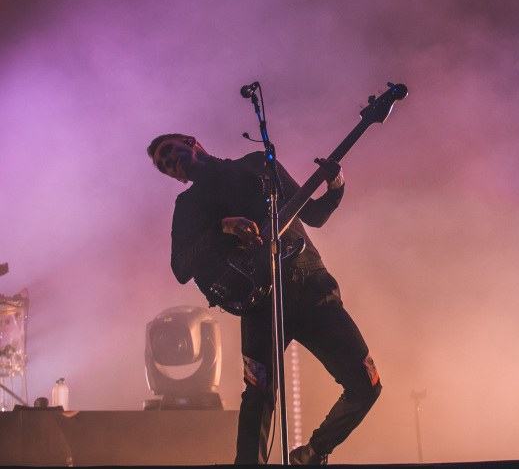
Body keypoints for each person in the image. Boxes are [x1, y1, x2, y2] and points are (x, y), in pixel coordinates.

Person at [146, 134, 381, 465]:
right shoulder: (188, 205)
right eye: (163, 166)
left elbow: (313, 215)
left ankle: (314, 453)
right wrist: (221, 228)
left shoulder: (259, 164)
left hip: (313, 286)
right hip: (260, 303)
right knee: (258, 395)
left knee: (366, 385)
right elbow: (180, 267)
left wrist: (336, 187)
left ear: (192, 141)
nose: (169, 163)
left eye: (169, 153)